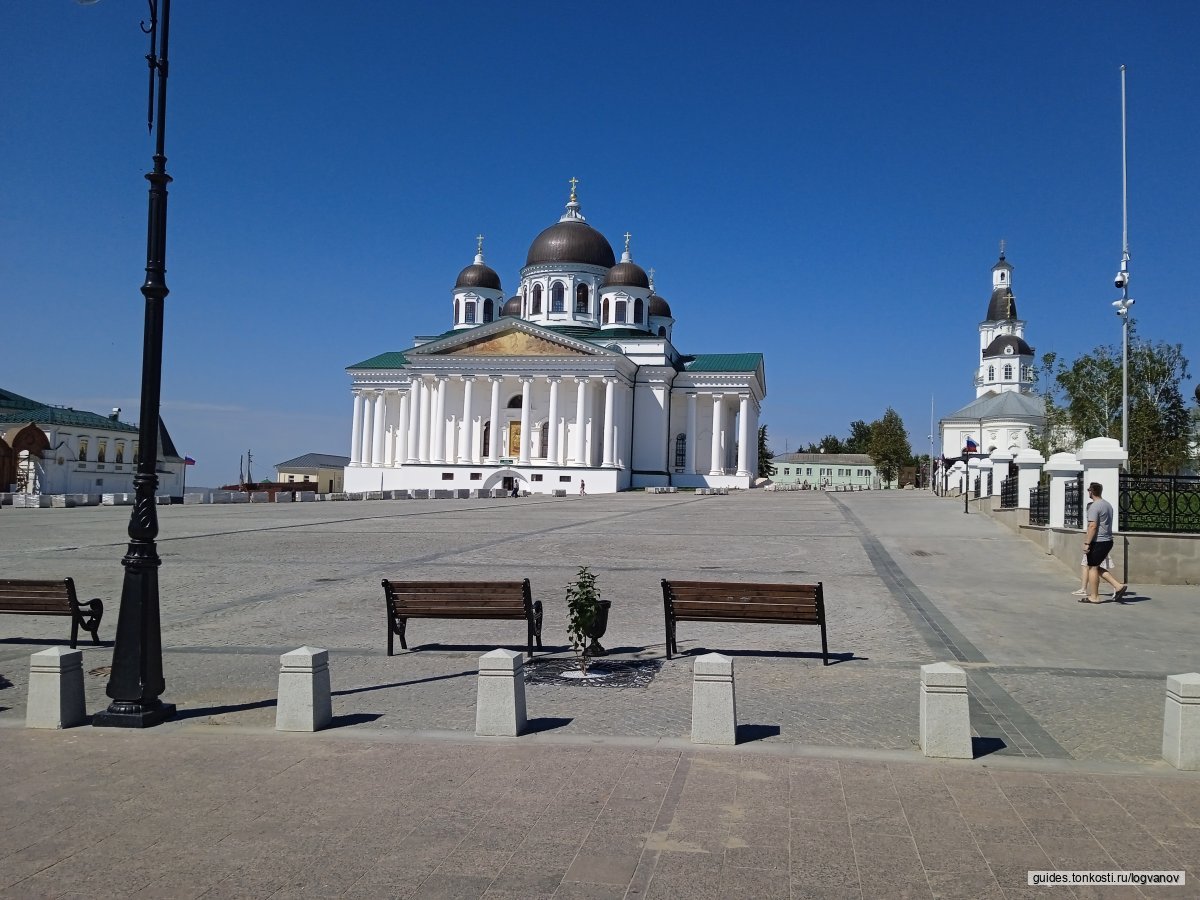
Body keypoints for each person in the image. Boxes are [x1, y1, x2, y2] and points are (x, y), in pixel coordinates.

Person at [1080, 482, 1129, 604]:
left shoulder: (1094, 506)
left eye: (1088, 490)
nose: (1088, 493)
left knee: (1092, 568)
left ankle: (1094, 597)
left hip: (1098, 541)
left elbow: (1092, 526)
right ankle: (1118, 586)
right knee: (1095, 567)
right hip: (1108, 540)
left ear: (1091, 491)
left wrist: (1087, 543)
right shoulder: (1107, 505)